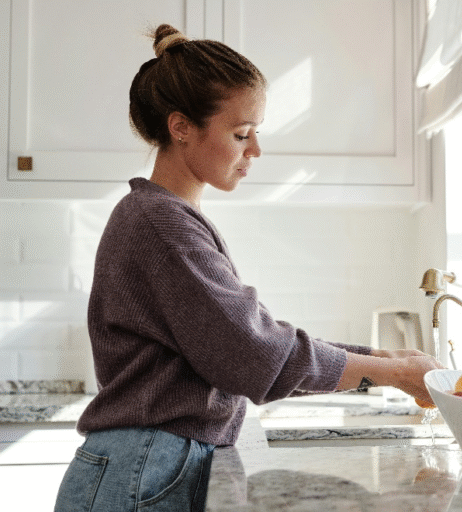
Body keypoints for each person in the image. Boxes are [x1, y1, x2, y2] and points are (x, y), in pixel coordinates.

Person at [54, 24, 442, 512]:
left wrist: (383, 361)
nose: (255, 150)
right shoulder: (160, 223)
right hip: (144, 470)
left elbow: (249, 347)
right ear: (181, 127)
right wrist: (393, 372)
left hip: (147, 466)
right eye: (241, 134)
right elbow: (256, 354)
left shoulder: (165, 218)